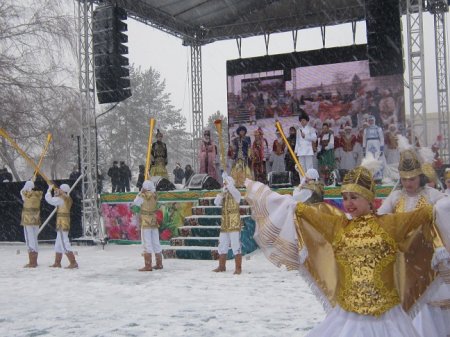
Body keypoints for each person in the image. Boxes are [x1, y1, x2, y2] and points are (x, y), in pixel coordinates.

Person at [245, 156, 450, 337]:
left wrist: (440, 206)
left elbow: (426, 214)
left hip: (387, 317)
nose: (348, 203)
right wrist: (290, 204)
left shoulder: (390, 225)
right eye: (344, 198)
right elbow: (305, 213)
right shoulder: (338, 226)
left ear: (369, 199)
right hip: (349, 316)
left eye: (354, 197)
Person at [377, 140, 450, 337]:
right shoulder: (395, 197)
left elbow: (446, 211)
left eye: (413, 179)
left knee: (428, 305)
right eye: (405, 179)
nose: (409, 183)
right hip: (403, 259)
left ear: (421, 177)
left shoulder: (432, 195)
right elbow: (380, 218)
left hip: (426, 259)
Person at [212, 173, 242, 275]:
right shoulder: (224, 194)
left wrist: (228, 182)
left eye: (226, 183)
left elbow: (233, 191)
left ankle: (238, 268)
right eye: (224, 183)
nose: (225, 185)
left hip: (234, 224)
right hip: (225, 224)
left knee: (235, 245)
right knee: (222, 245)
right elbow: (216, 202)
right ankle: (221, 266)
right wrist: (222, 193)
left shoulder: (236, 194)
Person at [45, 184, 78, 269]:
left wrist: (49, 191)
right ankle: (57, 263)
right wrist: (56, 193)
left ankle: (73, 262)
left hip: (62, 223)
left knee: (64, 243)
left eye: (60, 189)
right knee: (58, 244)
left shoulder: (62, 198)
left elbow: (50, 200)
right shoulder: (66, 198)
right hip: (63, 222)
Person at [132, 180, 163, 271]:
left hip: (145, 221)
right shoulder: (155, 195)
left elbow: (136, 203)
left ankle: (148, 265)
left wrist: (139, 193)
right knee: (156, 242)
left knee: (147, 243)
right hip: (153, 221)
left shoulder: (142, 196)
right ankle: (159, 263)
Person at [20, 180, 43, 268]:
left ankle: (32, 262)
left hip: (28, 220)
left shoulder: (26, 195)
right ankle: (35, 261)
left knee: (29, 240)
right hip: (36, 219)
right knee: (34, 239)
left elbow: (21, 191)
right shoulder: (38, 195)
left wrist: (28, 184)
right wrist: (31, 183)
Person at [362, 115, 384, 180]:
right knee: (369, 160)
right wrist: (363, 149)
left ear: (374, 121)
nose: (371, 122)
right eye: (369, 121)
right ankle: (370, 176)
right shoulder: (366, 130)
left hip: (377, 145)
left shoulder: (378, 129)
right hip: (368, 146)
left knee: (377, 159)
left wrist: (381, 149)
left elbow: (382, 139)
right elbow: (364, 140)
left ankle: (378, 177)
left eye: (372, 120)